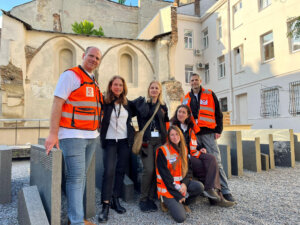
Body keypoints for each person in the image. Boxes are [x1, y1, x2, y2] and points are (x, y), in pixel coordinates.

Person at [45, 46, 102, 225]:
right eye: (91, 56)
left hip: (91, 136)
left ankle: (76, 217)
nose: (93, 60)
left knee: (81, 177)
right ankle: (76, 221)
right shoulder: (71, 75)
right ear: (83, 56)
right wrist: (53, 134)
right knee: (76, 179)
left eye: (97, 58)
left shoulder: (92, 79)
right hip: (73, 135)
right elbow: (57, 103)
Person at [182, 73, 235, 203]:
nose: (194, 82)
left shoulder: (209, 94)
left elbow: (218, 113)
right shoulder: (186, 98)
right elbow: (183, 116)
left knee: (216, 161)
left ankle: (225, 190)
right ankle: (209, 190)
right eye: (192, 80)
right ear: (190, 83)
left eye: (196, 80)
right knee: (199, 162)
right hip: (194, 135)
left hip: (208, 134)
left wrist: (219, 130)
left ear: (200, 81)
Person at [171, 104, 235, 207]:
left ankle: (210, 190)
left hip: (193, 153)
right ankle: (216, 199)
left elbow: (193, 141)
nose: (181, 114)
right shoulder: (173, 126)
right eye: (179, 112)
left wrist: (200, 147)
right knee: (205, 168)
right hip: (182, 156)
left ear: (188, 115)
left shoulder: (191, 126)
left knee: (211, 159)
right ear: (176, 113)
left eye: (184, 112)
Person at [98, 76, 135, 223]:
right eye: (115, 84)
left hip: (124, 141)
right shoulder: (105, 102)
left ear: (123, 87)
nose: (118, 87)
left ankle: (115, 199)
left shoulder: (127, 103)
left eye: (120, 85)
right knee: (109, 172)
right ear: (110, 86)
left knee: (120, 171)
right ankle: (105, 205)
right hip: (110, 141)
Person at [156, 125, 204, 223]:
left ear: (181, 135)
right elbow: (166, 178)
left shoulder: (184, 149)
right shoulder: (163, 151)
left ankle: (183, 202)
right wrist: (178, 195)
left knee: (199, 187)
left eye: (177, 134)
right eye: (172, 135)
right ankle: (165, 201)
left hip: (180, 185)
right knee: (180, 218)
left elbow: (189, 170)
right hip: (168, 189)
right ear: (168, 137)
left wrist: (184, 184)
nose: (175, 137)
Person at [135, 81, 170, 212]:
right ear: (148, 90)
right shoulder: (143, 104)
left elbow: (166, 124)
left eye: (157, 88)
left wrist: (167, 141)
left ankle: (151, 196)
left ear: (160, 91)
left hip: (160, 142)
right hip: (147, 142)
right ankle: (143, 199)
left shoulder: (163, 106)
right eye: (152, 88)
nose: (154, 90)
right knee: (148, 170)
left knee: (156, 169)